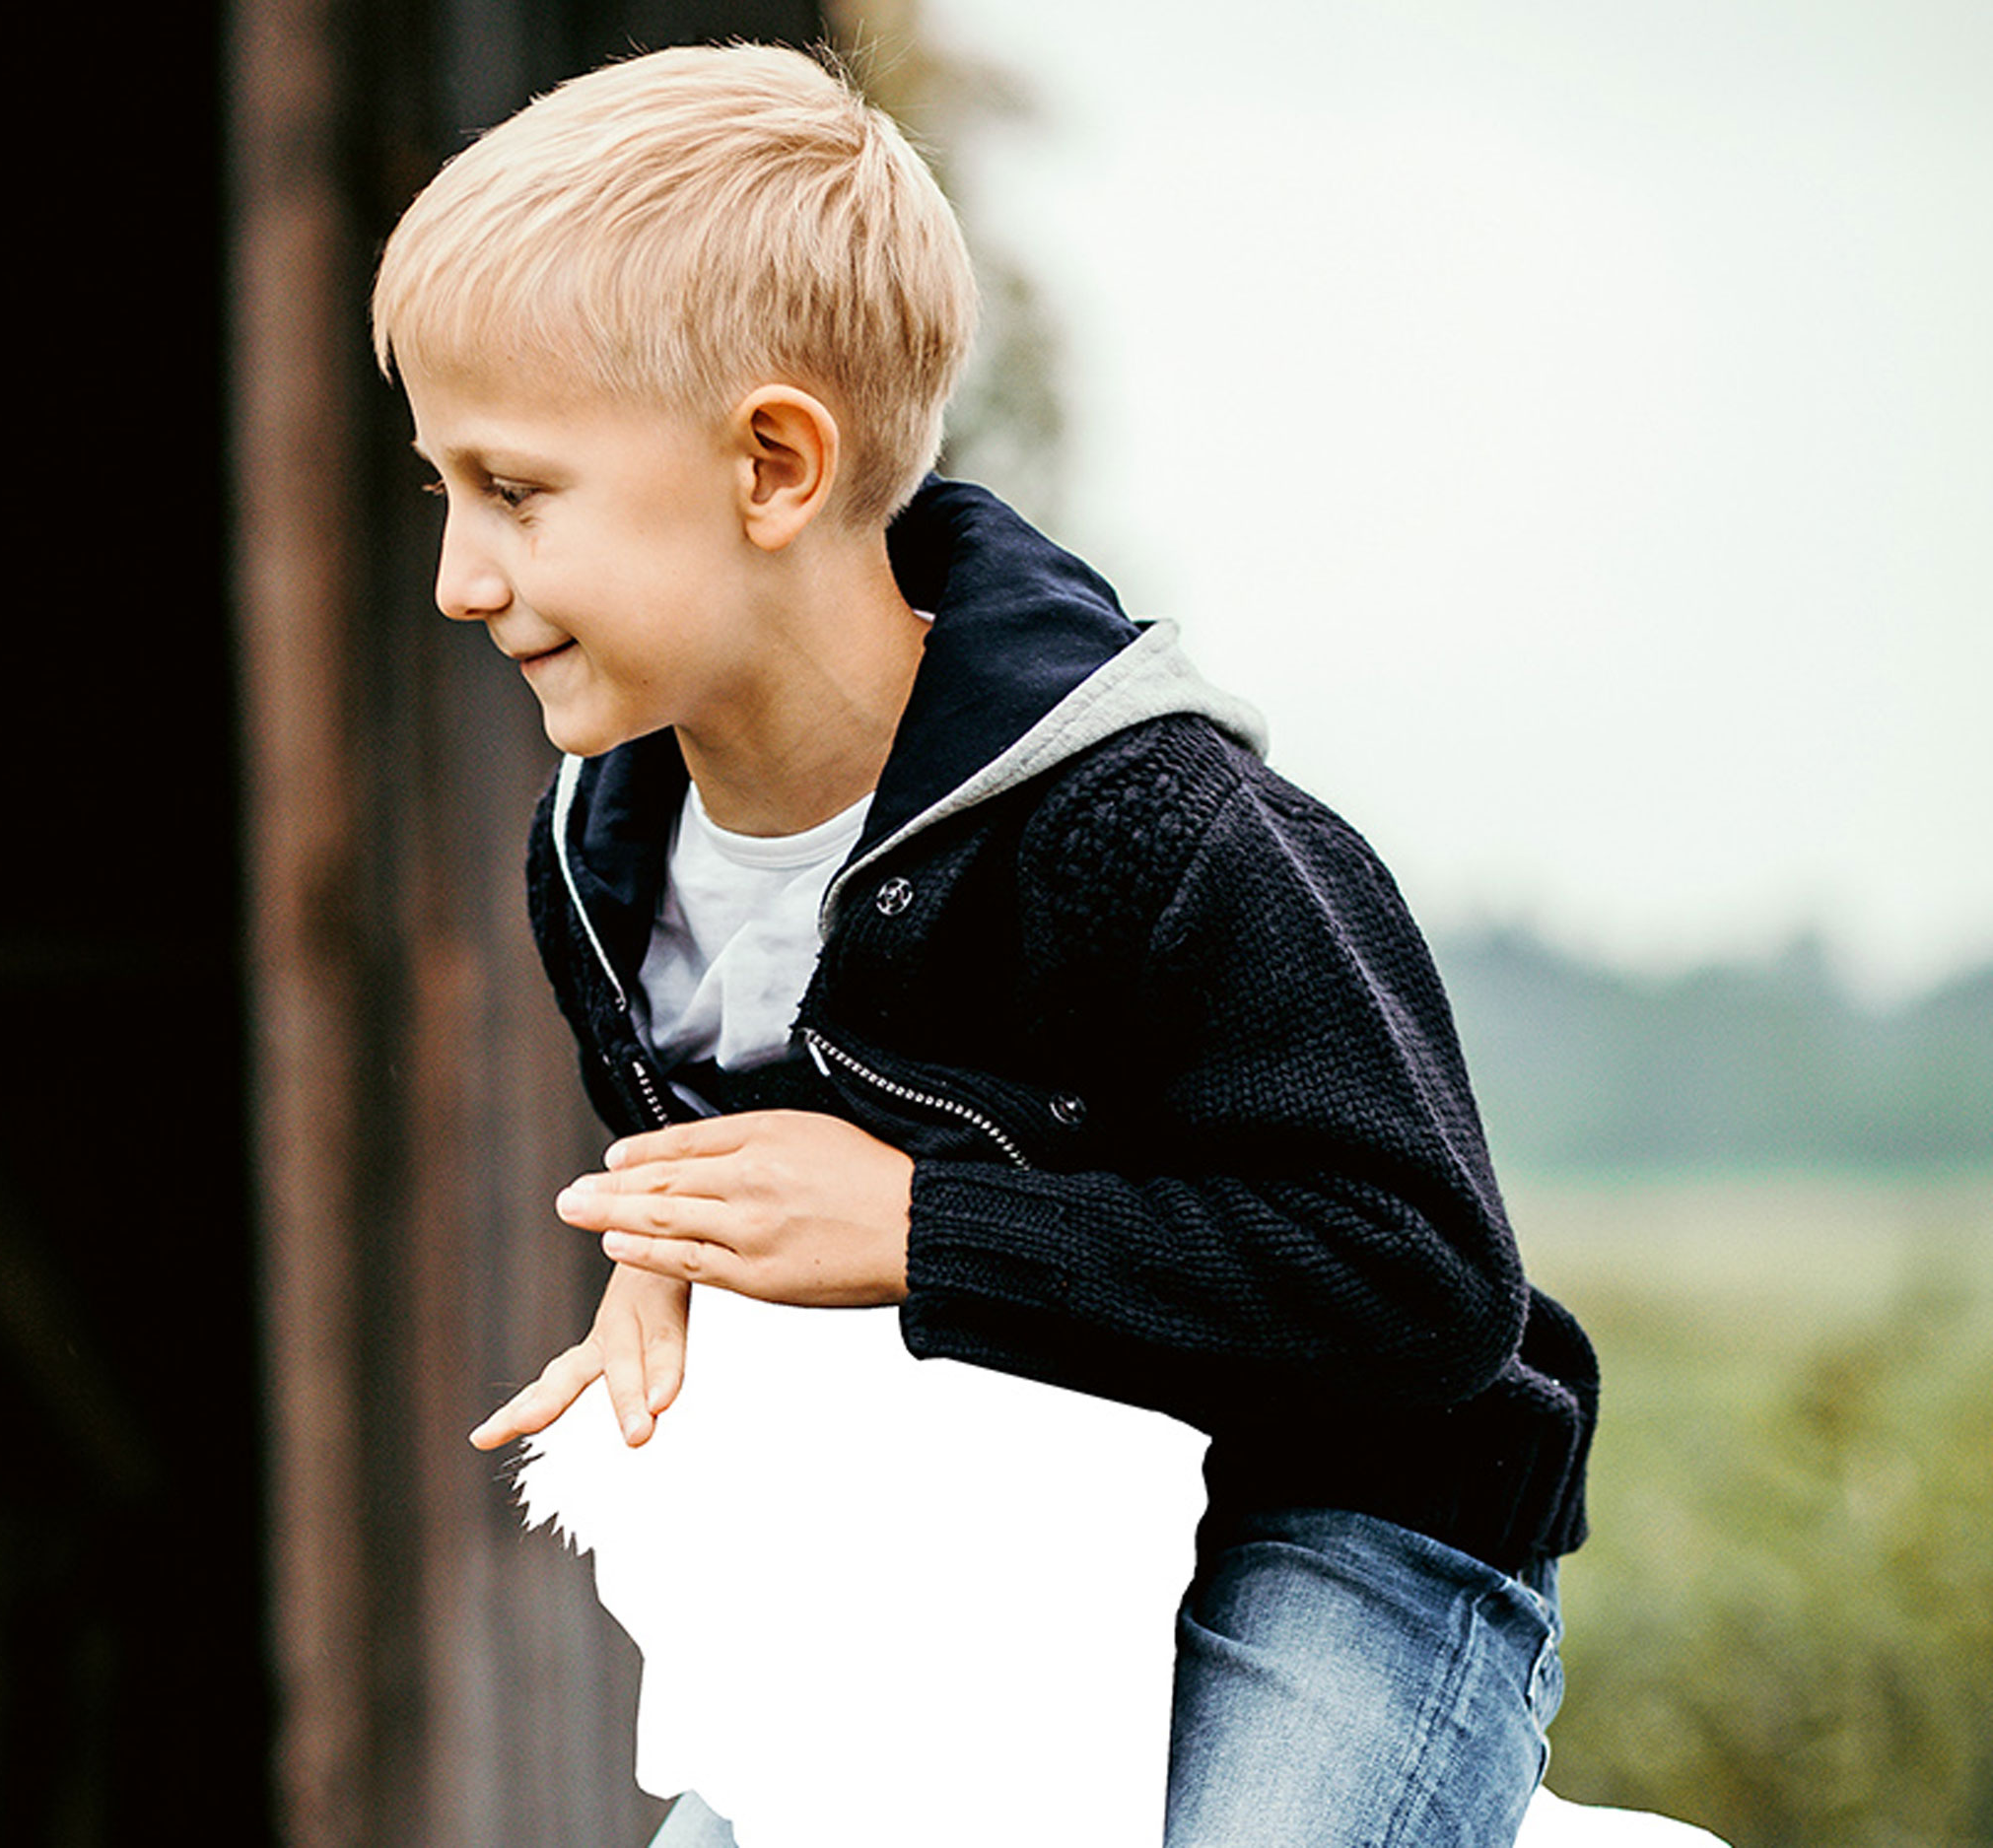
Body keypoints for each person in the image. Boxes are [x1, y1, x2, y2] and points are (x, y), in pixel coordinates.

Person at [372, 42, 1606, 1848]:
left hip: (1342, 1516)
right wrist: (673, 1260)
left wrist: (918, 1228)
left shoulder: (1157, 827)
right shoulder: (598, 847)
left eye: (519, 492)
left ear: (774, 465)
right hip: (1011, 1519)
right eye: (440, 495)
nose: (460, 578)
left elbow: (1424, 1285)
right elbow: (743, 1136)